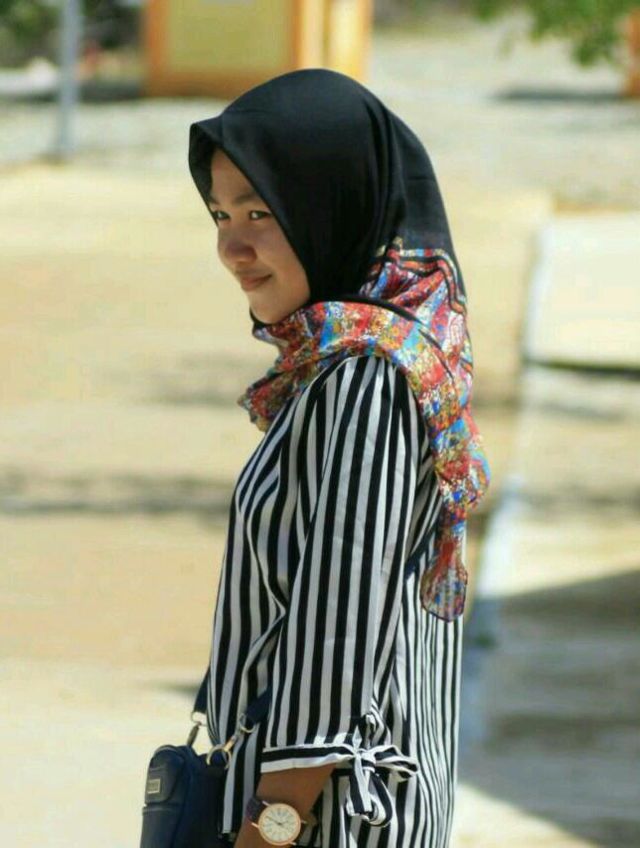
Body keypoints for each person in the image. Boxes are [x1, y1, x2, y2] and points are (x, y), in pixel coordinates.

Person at [188, 68, 491, 848]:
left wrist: (270, 828)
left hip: (330, 819)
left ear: (331, 204)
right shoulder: (351, 363)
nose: (231, 247)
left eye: (261, 211)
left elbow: (337, 635)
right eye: (221, 214)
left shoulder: (368, 376)